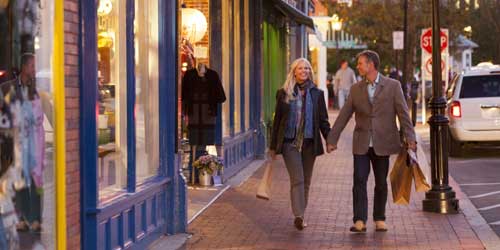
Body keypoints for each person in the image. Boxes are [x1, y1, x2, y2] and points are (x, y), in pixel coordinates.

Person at [326, 50, 416, 233]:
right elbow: (344, 115)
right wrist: (332, 139)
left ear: (371, 65)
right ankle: (359, 220)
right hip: (361, 142)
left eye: (360, 63)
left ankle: (379, 218)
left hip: (383, 143)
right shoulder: (356, 89)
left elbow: (403, 115)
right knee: (359, 180)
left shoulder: (393, 86)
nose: (358, 66)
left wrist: (411, 138)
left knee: (381, 182)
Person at [269, 58, 330, 230]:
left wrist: (330, 140)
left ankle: (301, 215)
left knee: (307, 181)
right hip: (290, 143)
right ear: (294, 71)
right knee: (298, 179)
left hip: (310, 143)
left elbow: (323, 121)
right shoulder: (284, 93)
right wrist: (273, 146)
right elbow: (278, 121)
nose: (304, 71)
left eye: (307, 68)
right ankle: (298, 215)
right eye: (301, 68)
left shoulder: (317, 94)